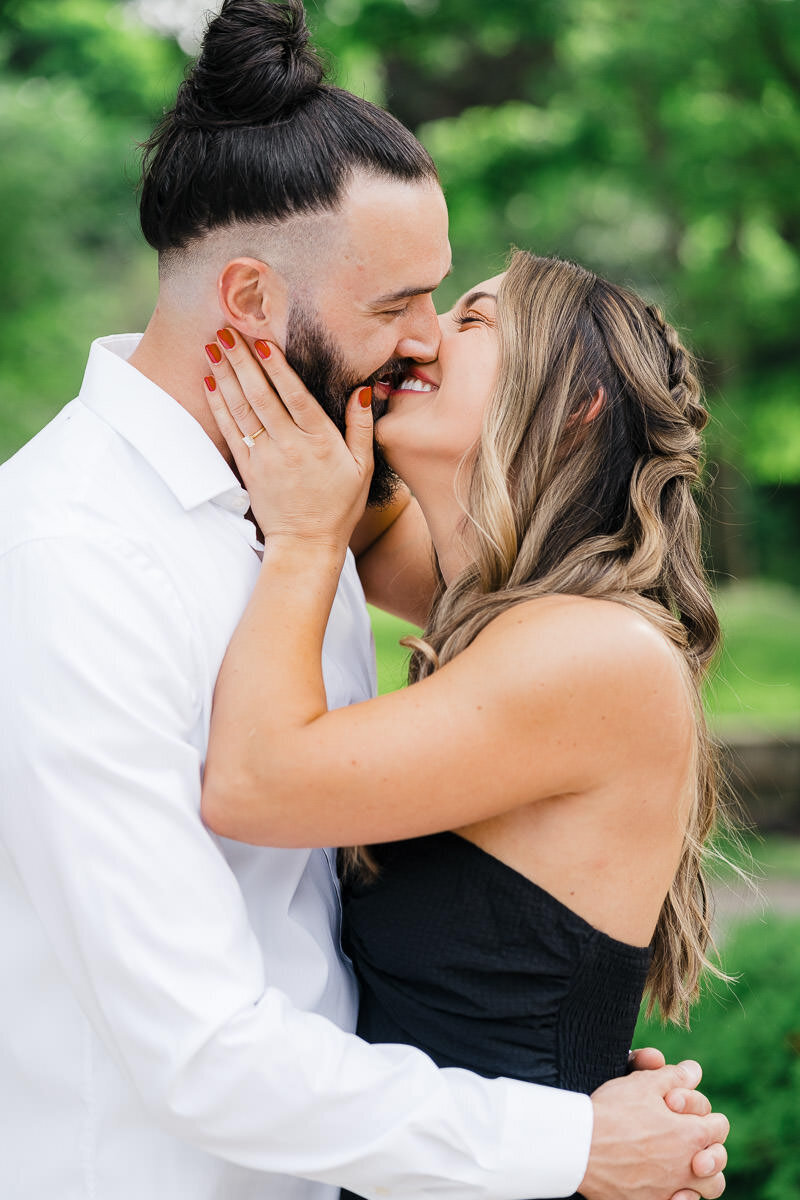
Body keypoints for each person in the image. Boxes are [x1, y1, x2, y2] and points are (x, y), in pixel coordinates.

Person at [0, 0, 728, 1197]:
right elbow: (203, 1048)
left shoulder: (316, 512)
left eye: (447, 305)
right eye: (395, 306)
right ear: (247, 302)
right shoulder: (70, 558)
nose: (422, 344)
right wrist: (567, 1140)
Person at [200, 250, 730, 1197]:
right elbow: (340, 499)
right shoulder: (515, 608)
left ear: (577, 405)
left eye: (475, 320)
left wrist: (305, 540)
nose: (425, 333)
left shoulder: (593, 651)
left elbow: (253, 783)